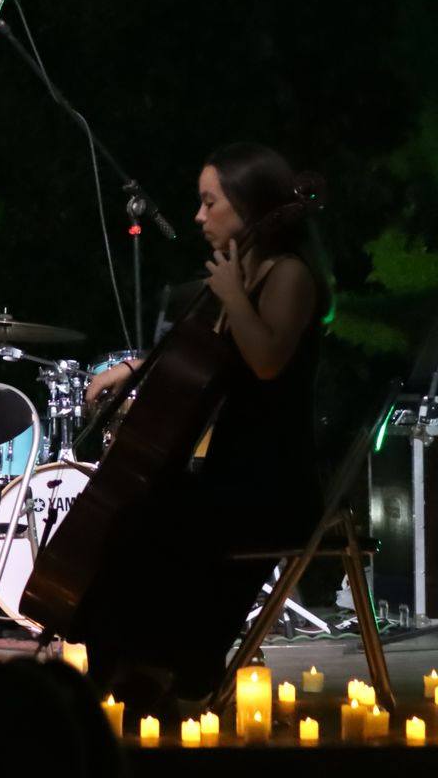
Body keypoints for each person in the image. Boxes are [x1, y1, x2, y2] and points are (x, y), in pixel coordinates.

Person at [80, 142, 329, 706]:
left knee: (157, 524)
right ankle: (131, 671)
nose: (198, 216)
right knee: (132, 517)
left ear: (248, 205)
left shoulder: (288, 275)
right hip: (232, 474)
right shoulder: (240, 273)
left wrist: (235, 299)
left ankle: (170, 672)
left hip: (272, 484)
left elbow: (266, 361)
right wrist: (133, 368)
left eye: (209, 202)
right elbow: (208, 362)